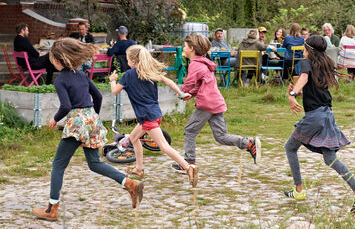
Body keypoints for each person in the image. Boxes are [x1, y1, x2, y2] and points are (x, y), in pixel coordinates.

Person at [32, 38, 143, 221]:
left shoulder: (60, 81)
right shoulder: (82, 75)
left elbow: (66, 106)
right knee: (94, 163)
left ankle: (52, 208)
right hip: (92, 119)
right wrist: (93, 118)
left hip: (77, 123)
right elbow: (98, 96)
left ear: (58, 61)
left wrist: (54, 118)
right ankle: (129, 183)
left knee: (58, 165)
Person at [283, 35, 355, 213]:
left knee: (290, 147)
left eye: (304, 47)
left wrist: (292, 95)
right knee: (330, 158)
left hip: (315, 117)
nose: (302, 50)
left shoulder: (306, 63)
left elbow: (305, 77)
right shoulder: (324, 64)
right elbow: (311, 87)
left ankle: (299, 190)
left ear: (308, 49)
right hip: (327, 115)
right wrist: (297, 91)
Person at [109, 45, 198, 186]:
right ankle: (139, 169)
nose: (127, 62)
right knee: (133, 138)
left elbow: (115, 91)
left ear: (133, 60)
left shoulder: (127, 76)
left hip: (147, 117)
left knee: (163, 146)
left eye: (127, 59)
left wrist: (113, 80)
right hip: (153, 114)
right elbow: (168, 81)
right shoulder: (149, 72)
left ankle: (188, 167)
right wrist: (180, 93)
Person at [172, 33, 260, 173]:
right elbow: (203, 84)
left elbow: (189, 83)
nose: (183, 48)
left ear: (192, 48)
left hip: (207, 104)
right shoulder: (204, 62)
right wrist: (192, 94)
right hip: (216, 102)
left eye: (185, 46)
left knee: (189, 131)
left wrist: (182, 92)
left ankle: (188, 164)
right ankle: (248, 143)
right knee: (221, 136)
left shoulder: (195, 64)